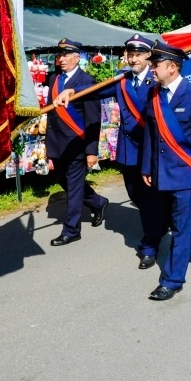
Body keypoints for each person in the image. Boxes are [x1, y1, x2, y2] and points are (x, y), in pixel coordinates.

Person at [141, 42, 191, 301]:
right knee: (173, 221)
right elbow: (151, 134)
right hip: (160, 172)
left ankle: (172, 280)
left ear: (172, 68)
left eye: (156, 65)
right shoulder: (153, 95)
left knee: (179, 229)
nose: (152, 69)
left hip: (185, 174)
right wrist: (146, 167)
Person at [88, 34, 164, 269]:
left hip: (152, 151)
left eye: (138, 55)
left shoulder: (158, 81)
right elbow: (93, 92)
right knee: (136, 196)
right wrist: (69, 92)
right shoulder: (122, 81)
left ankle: (149, 245)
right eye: (130, 55)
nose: (133, 59)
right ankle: (164, 228)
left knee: (151, 201)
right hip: (129, 151)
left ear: (148, 56)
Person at [46, 38, 109, 247]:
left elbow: (93, 119)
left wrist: (91, 150)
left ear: (77, 57)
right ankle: (98, 202)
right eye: (60, 55)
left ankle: (72, 230)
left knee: (73, 188)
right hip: (57, 143)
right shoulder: (54, 79)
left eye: (66, 55)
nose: (61, 59)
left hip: (77, 144)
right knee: (62, 180)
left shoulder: (87, 82)